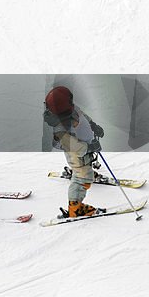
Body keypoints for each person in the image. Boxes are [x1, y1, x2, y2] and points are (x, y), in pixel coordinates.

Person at [44, 85, 105, 218]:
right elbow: (74, 146)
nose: (72, 104)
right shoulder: (60, 128)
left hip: (83, 150)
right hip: (77, 154)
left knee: (83, 169)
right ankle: (75, 207)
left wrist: (93, 125)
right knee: (83, 179)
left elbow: (82, 115)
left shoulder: (70, 110)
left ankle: (79, 172)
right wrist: (89, 147)